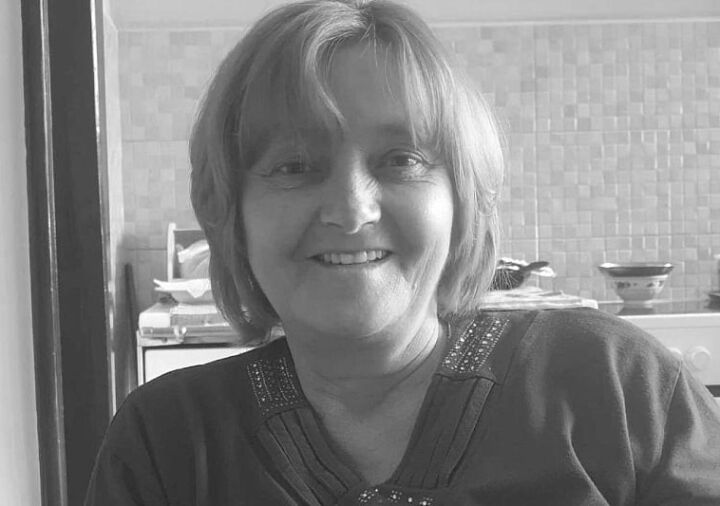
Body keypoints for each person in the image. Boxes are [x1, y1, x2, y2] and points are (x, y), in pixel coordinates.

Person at [85, 1, 720, 504]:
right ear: (231, 214)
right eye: (294, 165)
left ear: (462, 201)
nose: (351, 210)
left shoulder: (618, 385)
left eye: (402, 159)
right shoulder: (166, 442)